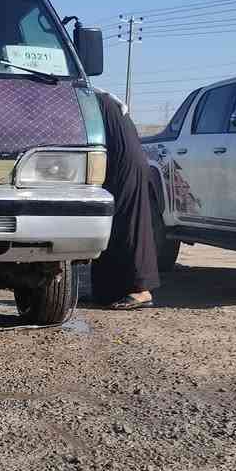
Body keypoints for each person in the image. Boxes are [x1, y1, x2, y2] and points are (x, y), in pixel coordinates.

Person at [91, 90, 159, 309]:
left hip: (125, 164)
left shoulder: (88, 99)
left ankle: (141, 290)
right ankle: (107, 291)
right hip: (117, 162)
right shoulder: (96, 97)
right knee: (112, 226)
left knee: (129, 224)